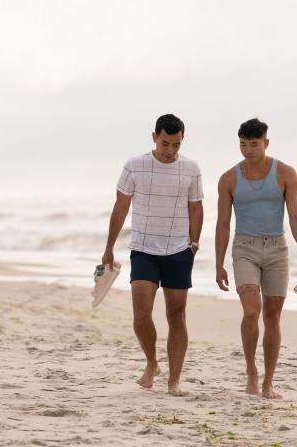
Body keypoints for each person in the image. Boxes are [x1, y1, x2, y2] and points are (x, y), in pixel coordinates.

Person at [101, 114, 204, 397]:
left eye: (176, 144)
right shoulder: (135, 166)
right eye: (165, 143)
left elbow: (196, 208)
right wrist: (109, 247)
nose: (170, 150)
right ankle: (152, 363)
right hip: (144, 249)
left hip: (178, 250)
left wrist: (193, 245)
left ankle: (174, 380)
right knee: (141, 314)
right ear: (154, 137)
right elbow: (120, 207)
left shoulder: (191, 169)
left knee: (176, 314)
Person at [214, 117, 297, 399]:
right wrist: (219, 262)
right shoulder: (228, 179)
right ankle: (251, 371)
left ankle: (269, 381)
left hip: (277, 249)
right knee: (251, 311)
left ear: (266, 143)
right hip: (244, 247)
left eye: (254, 144)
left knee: (272, 316)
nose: (248, 150)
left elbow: (295, 216)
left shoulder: (285, 173)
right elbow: (223, 223)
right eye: (243, 144)